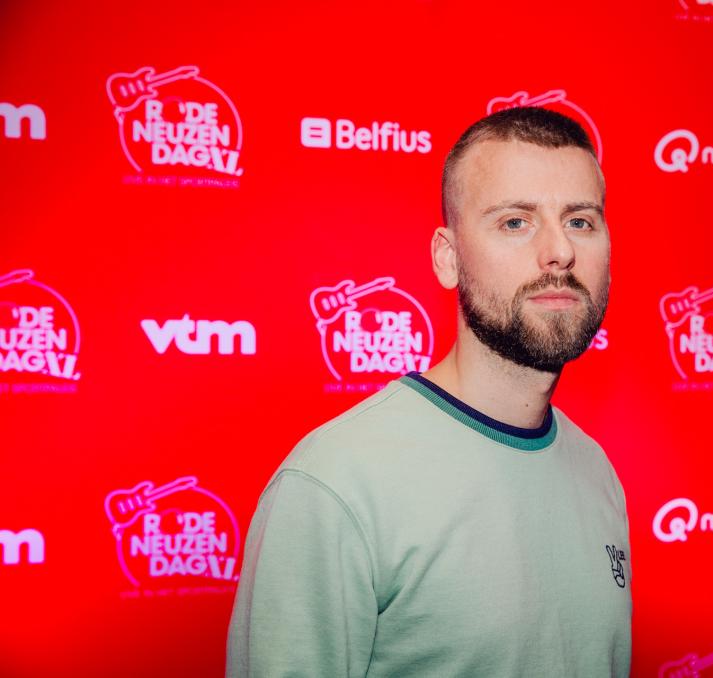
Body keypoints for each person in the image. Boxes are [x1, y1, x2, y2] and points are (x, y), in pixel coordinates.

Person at [227, 107, 631, 677]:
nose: (559, 250)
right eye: (516, 222)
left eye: (581, 221)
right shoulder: (335, 483)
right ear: (448, 258)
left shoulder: (597, 471)